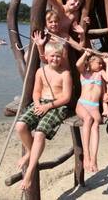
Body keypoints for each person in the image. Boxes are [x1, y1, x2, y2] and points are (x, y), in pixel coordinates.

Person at [15, 42, 72, 190]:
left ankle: (30, 172)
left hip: (57, 106)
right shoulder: (40, 72)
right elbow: (36, 92)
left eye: (58, 56)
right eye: (52, 56)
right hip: (40, 103)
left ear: (62, 57)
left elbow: (66, 97)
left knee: (39, 134)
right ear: (46, 57)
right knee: (20, 126)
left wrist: (48, 106)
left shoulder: (65, 73)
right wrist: (37, 104)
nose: (55, 59)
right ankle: (29, 151)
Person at [75, 50, 108, 172]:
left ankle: (94, 159)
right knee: (88, 119)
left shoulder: (101, 72)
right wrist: (85, 54)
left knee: (96, 125)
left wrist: (106, 63)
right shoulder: (84, 73)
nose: (100, 65)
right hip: (82, 104)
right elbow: (77, 64)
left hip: (94, 106)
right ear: (90, 63)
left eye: (101, 63)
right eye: (98, 63)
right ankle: (86, 155)